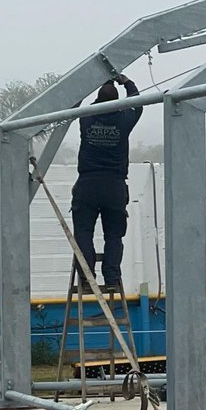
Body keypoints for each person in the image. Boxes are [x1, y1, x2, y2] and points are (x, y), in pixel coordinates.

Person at [71, 74, 142, 291]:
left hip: (88, 184)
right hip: (114, 186)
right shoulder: (124, 120)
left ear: (97, 100)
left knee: (83, 232)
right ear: (117, 102)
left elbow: (75, 103)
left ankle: (87, 277)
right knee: (114, 234)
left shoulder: (86, 118)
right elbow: (137, 103)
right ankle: (112, 278)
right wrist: (127, 82)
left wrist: (96, 81)